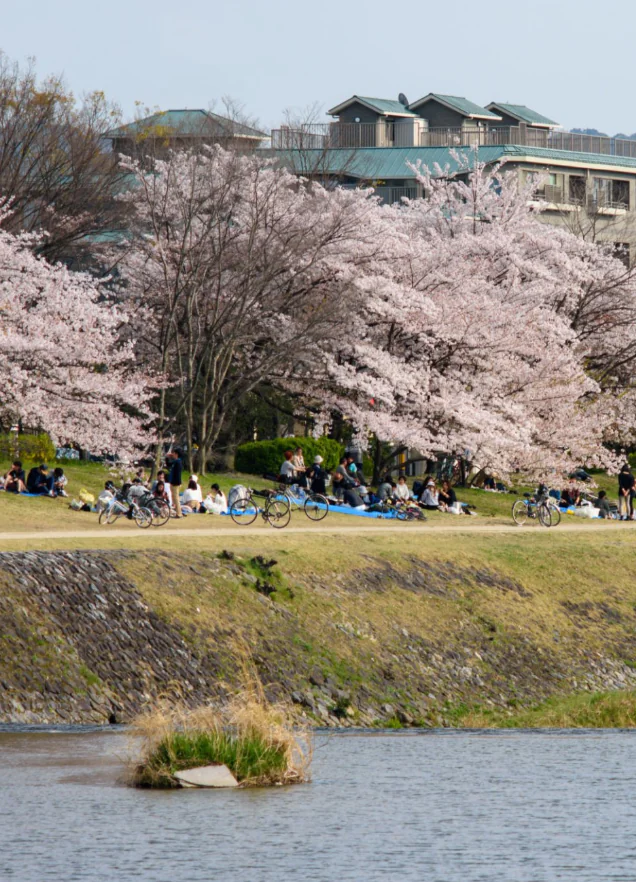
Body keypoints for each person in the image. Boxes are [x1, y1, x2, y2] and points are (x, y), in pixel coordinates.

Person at [167, 450, 184, 518]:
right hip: (173, 482)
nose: (172, 454)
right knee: (174, 498)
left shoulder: (178, 462)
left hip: (175, 483)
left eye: (173, 453)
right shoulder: (176, 461)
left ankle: (179, 513)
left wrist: (176, 483)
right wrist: (168, 457)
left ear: (176, 454)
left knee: (176, 498)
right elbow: (169, 464)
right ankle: (177, 512)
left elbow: (178, 474)